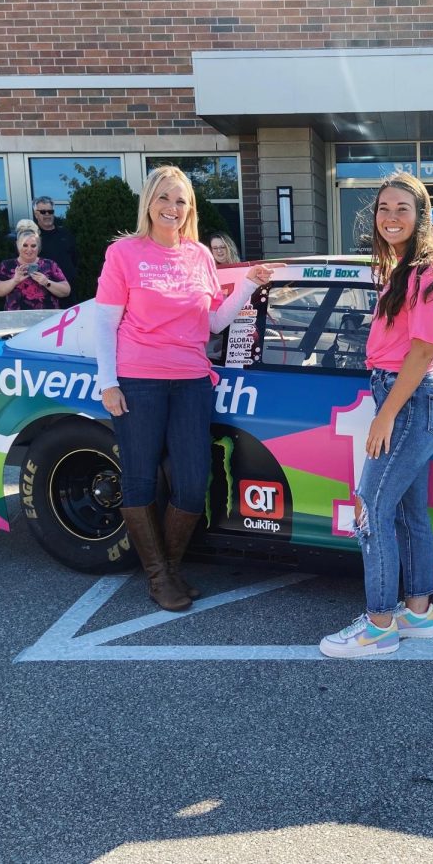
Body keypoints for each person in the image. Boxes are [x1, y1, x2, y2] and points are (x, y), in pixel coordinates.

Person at [94, 166, 274, 612]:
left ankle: (168, 569)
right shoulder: (124, 253)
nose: (172, 209)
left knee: (193, 485)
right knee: (138, 479)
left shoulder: (199, 256)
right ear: (149, 203)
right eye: (164, 199)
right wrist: (108, 382)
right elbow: (104, 322)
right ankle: (160, 577)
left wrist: (249, 286)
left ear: (189, 208)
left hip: (192, 381)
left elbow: (212, 322)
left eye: (180, 201)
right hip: (138, 380)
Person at [320, 173, 433, 658]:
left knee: (371, 510)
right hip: (408, 399)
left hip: (408, 399)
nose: (391, 218)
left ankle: (378, 626)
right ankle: (418, 613)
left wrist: (384, 417)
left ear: (420, 215)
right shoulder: (403, 269)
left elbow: (421, 353)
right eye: (383, 209)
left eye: (402, 208)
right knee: (408, 513)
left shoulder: (425, 272)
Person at [0, 219, 70, 310]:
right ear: (17, 245)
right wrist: (14, 281)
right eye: (25, 245)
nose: (29, 250)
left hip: (47, 319)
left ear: (38, 246)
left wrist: (46, 282)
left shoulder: (49, 264)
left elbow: (66, 291)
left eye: (33, 246)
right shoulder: (7, 265)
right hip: (17, 320)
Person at [32, 196, 78, 305]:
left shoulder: (66, 234)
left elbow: (75, 259)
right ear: (36, 214)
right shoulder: (33, 238)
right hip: (43, 295)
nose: (47, 214)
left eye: (50, 211)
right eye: (43, 211)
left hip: (68, 293)